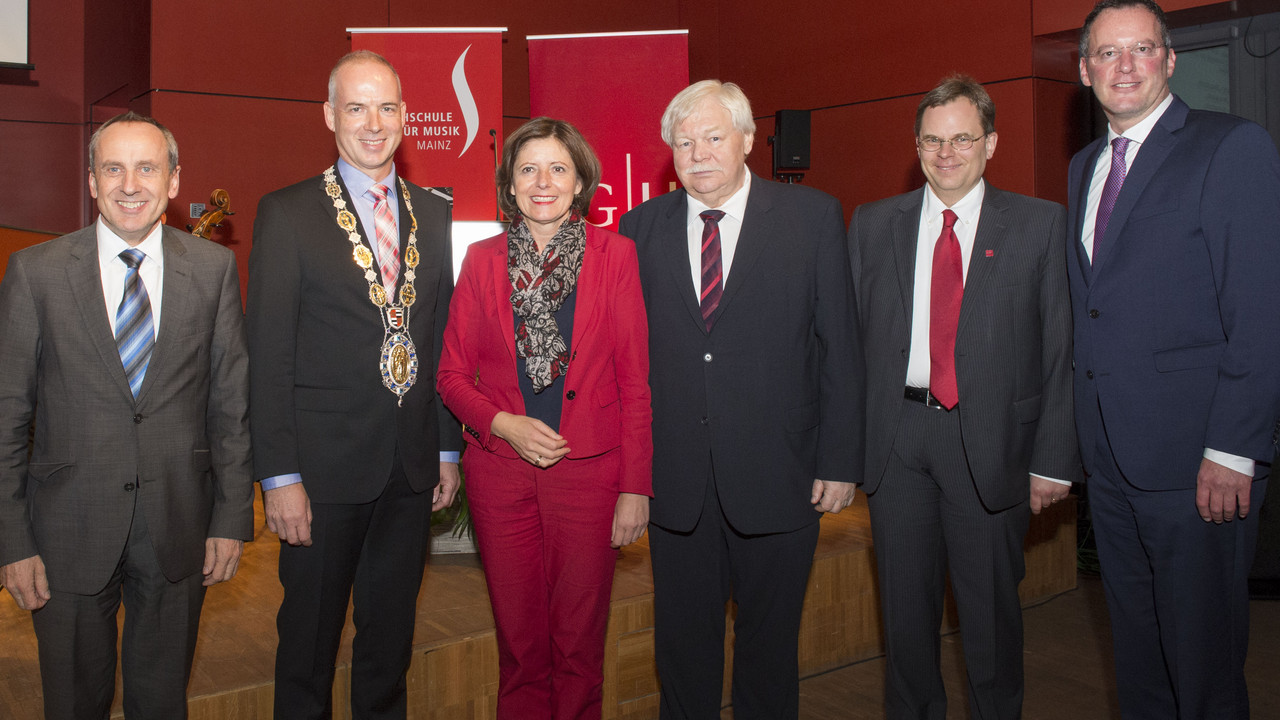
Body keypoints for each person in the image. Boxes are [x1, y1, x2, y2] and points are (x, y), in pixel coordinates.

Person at [618, 80, 864, 719]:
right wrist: (631, 474)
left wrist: (839, 460)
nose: (697, 153)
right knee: (682, 651)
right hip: (678, 484)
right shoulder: (637, 229)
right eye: (683, 141)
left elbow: (839, 344)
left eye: (712, 137)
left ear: (748, 141)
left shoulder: (813, 218)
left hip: (780, 476)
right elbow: (625, 361)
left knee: (769, 651)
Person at [0, 112, 252, 720]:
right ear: (91, 180)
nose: (129, 183)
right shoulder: (36, 274)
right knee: (72, 704)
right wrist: (11, 539)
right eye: (113, 167)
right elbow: (8, 414)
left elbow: (230, 404)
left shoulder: (212, 271)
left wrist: (231, 517)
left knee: (162, 702)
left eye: (147, 167)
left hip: (179, 526)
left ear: (173, 181)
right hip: (66, 530)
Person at [1070, 1, 1280, 716]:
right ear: (1084, 69)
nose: (1124, 66)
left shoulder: (1231, 146)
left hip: (1199, 465)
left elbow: (1259, 311)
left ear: (1170, 60)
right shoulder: (1083, 168)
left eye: (1141, 49)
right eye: (1107, 53)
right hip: (1113, 463)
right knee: (1140, 659)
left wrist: (1234, 449)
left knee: (1204, 665)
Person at [848, 76, 1080, 720]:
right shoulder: (872, 224)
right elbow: (845, 345)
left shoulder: (1038, 224)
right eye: (931, 140)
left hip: (988, 444)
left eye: (961, 139)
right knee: (904, 618)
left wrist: (1053, 457)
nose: (945, 153)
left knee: (990, 618)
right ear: (916, 146)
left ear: (991, 143)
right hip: (896, 440)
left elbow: (1060, 348)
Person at [247, 50, 461, 719]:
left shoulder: (434, 211)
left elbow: (441, 339)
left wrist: (447, 449)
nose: (374, 123)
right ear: (330, 115)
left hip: (407, 470)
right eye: (357, 107)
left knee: (389, 643)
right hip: (321, 476)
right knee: (308, 648)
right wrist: (279, 478)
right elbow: (269, 354)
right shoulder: (287, 213)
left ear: (405, 116)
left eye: (388, 107)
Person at [437, 117, 652, 720]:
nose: (543, 182)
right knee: (521, 649)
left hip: (590, 478)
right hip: (500, 478)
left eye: (558, 168)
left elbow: (636, 382)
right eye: (528, 169)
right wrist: (502, 423)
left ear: (581, 181)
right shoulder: (481, 261)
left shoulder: (618, 257)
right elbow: (450, 377)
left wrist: (635, 488)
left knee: (579, 650)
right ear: (509, 185)